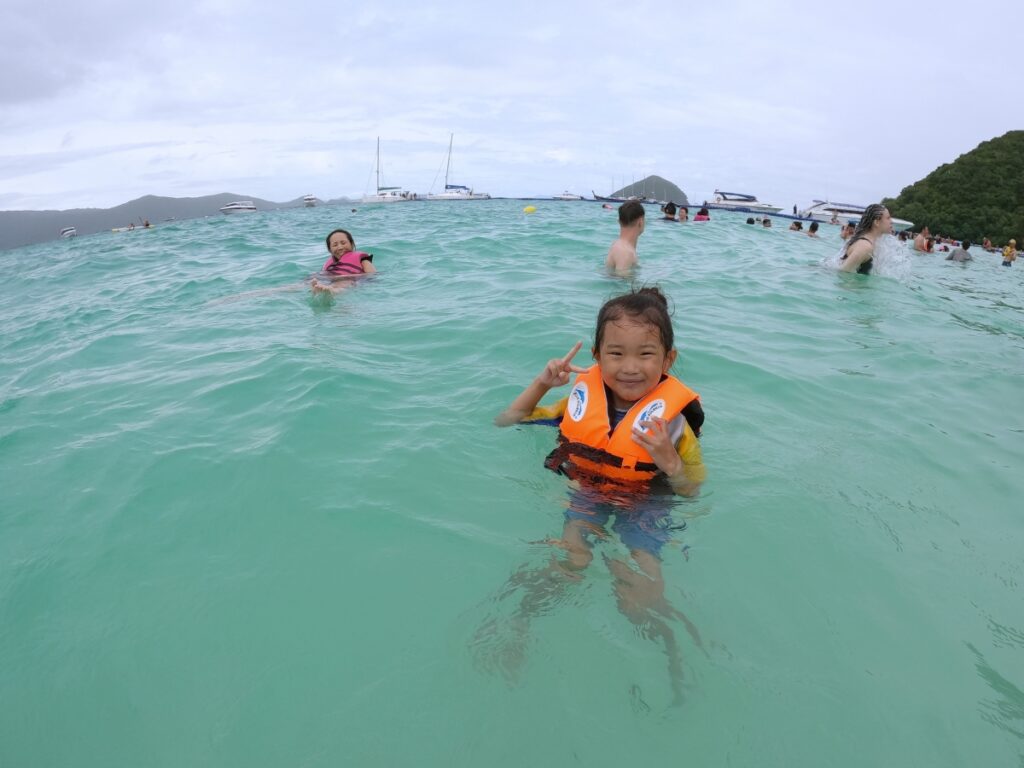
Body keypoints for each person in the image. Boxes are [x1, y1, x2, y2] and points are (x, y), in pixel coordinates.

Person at [489, 287, 706, 700]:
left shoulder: (674, 428)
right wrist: (541, 383)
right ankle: (517, 625)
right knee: (570, 558)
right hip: (589, 494)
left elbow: (692, 489)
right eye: (616, 353)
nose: (629, 367)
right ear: (596, 355)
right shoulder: (578, 401)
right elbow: (507, 420)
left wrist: (669, 460)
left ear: (668, 360)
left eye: (645, 354)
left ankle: (672, 664)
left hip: (645, 503)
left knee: (643, 583)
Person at [311, 228, 376, 295]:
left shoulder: (363, 260)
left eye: (343, 243)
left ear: (352, 244)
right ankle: (318, 289)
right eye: (335, 245)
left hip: (350, 281)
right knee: (312, 278)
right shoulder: (328, 265)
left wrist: (355, 278)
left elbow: (372, 275)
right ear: (330, 250)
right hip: (330, 280)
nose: (340, 247)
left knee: (345, 282)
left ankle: (331, 291)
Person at [838, 203, 892, 275]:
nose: (891, 221)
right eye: (888, 218)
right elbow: (843, 274)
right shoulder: (865, 247)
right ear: (877, 222)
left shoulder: (873, 243)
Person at [605, 201, 645, 274]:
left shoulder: (619, 246)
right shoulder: (625, 252)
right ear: (641, 222)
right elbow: (621, 284)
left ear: (619, 222)